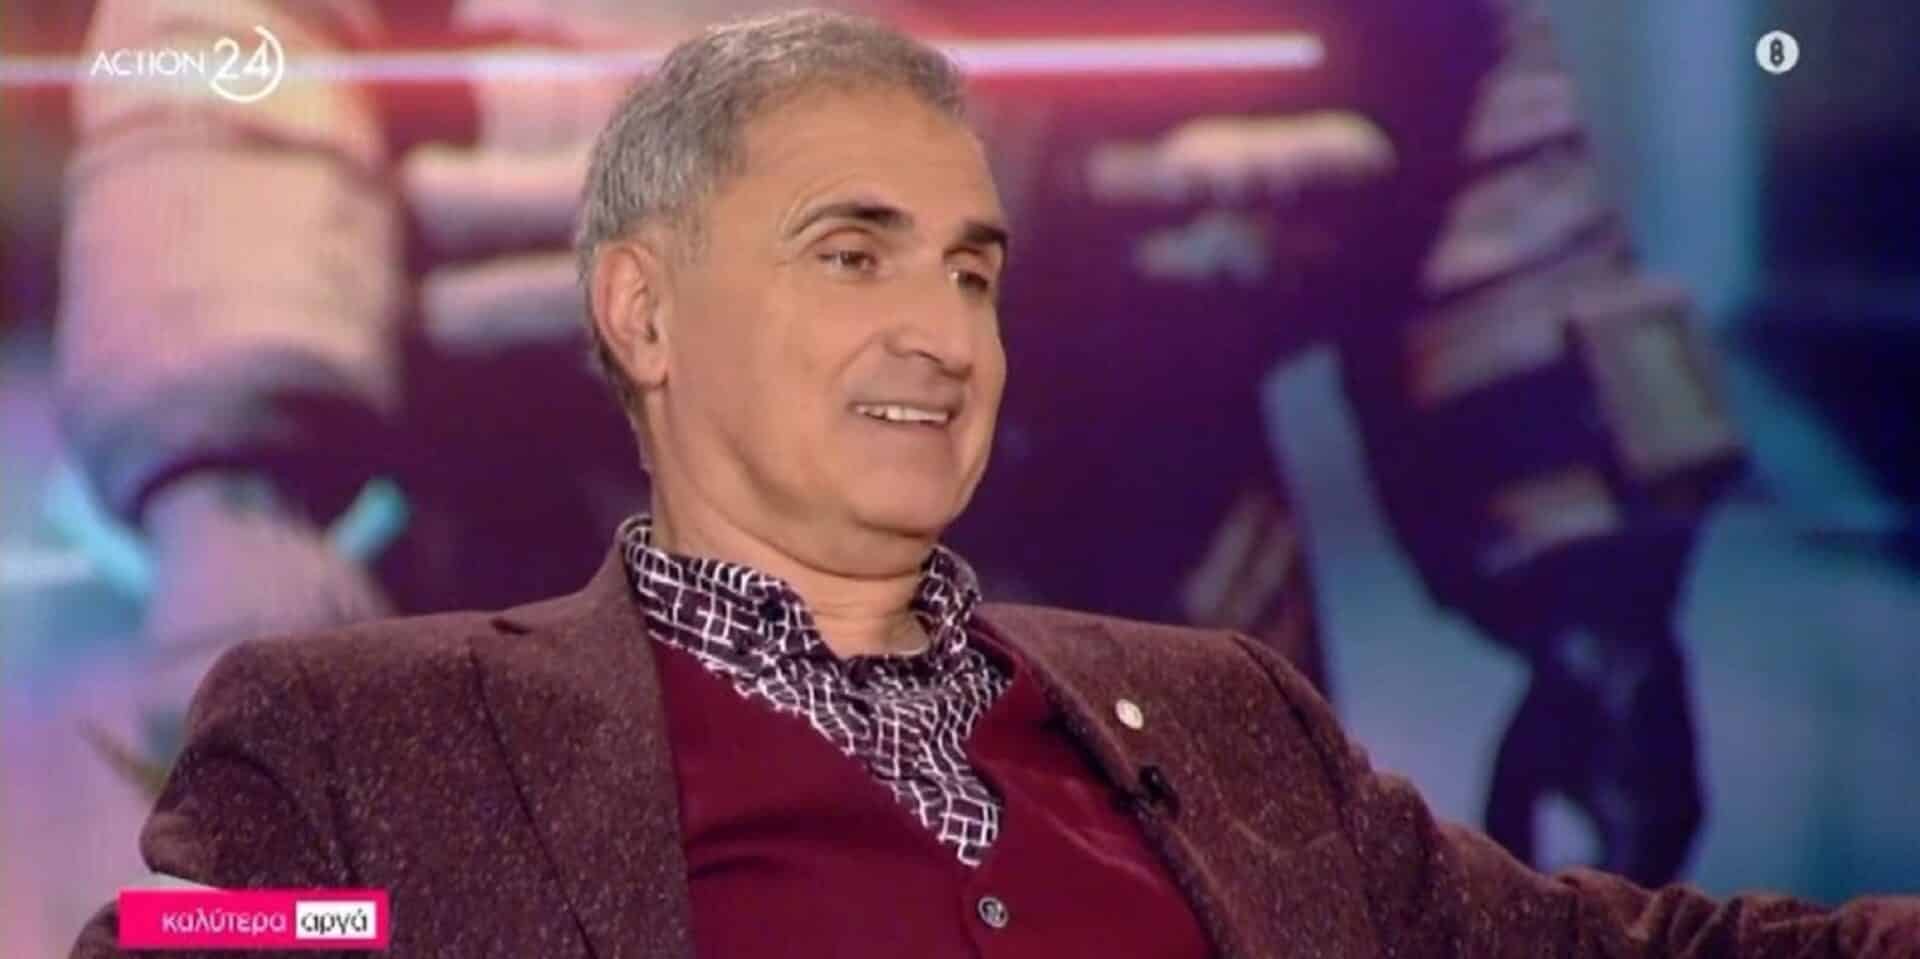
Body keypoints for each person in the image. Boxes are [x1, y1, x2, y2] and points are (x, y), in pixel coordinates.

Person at [68, 12, 1916, 957]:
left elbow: (1451, 83)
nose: (934, 334)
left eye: (968, 269)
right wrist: (229, 494)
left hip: (1161, 553)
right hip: (537, 543)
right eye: (848, 254)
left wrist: (1595, 591)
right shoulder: (396, 749)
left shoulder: (1242, 741)